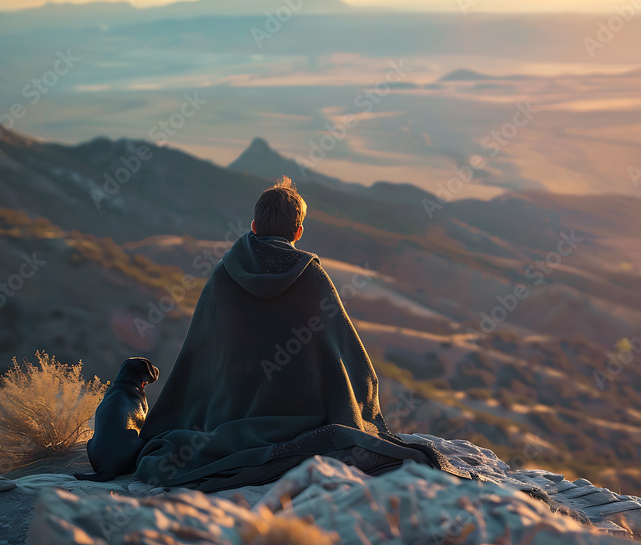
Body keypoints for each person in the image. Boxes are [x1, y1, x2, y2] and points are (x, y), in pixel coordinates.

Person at [135, 176, 468, 491]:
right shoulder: (311, 277)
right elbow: (344, 355)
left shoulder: (222, 275)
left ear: (253, 227)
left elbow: (198, 357)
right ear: (298, 231)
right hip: (301, 417)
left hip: (227, 416)